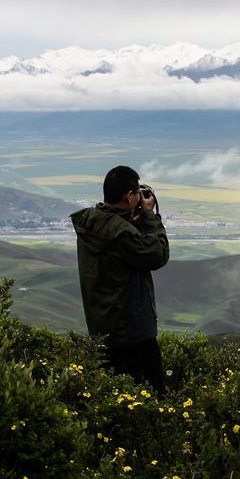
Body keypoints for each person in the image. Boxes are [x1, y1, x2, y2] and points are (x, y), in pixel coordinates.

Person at [70, 165, 169, 395]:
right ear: (130, 196)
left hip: (103, 329)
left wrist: (133, 219)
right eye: (137, 192)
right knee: (152, 396)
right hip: (132, 333)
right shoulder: (120, 233)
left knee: (114, 396)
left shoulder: (93, 224)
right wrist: (149, 216)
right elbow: (157, 254)